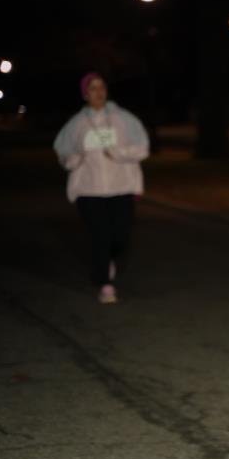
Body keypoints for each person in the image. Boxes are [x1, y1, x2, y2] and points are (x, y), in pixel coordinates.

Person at [53, 73, 150, 303]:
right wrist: (77, 157)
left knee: (121, 237)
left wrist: (119, 153)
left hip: (121, 187)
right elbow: (63, 154)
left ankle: (108, 260)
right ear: (85, 94)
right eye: (93, 88)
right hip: (89, 190)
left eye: (102, 87)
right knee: (100, 236)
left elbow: (142, 148)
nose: (99, 92)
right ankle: (105, 284)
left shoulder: (124, 119)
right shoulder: (76, 125)